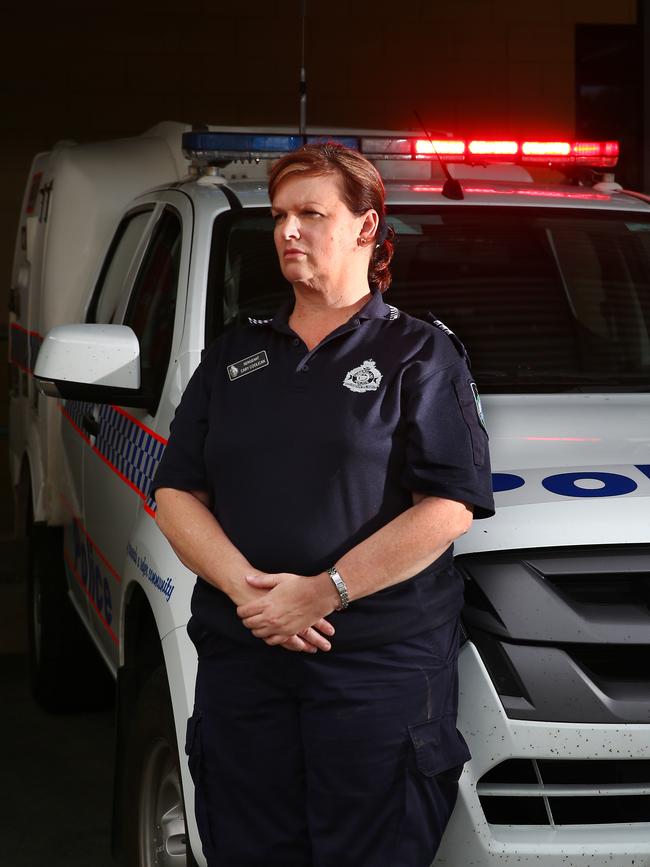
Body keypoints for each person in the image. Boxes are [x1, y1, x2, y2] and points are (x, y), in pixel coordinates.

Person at [152, 142, 494, 867]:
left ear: (367, 228)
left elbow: (450, 506)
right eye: (280, 215)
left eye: (312, 213)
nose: (287, 231)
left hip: (377, 672)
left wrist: (324, 593)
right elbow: (176, 491)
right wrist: (256, 595)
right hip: (247, 661)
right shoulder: (234, 355)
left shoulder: (421, 355)